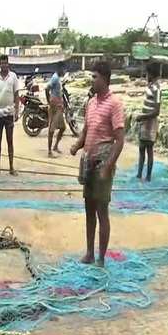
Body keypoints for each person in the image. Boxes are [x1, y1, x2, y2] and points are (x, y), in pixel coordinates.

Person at [70, 61, 125, 267]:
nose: (92, 80)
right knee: (89, 209)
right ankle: (89, 253)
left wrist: (109, 166)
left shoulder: (115, 104)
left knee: (102, 211)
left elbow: (119, 140)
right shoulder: (91, 103)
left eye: (95, 77)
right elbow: (86, 131)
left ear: (105, 79)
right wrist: (77, 146)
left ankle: (101, 258)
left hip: (103, 162)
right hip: (88, 161)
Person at [135, 62, 162, 182]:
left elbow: (156, 111)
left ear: (152, 74)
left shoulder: (157, 89)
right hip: (144, 122)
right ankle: (139, 174)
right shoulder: (150, 86)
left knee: (149, 149)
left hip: (150, 123)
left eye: (147, 74)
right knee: (141, 148)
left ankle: (148, 176)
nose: (146, 76)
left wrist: (143, 117)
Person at [0, 54, 19, 175]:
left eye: (5, 63)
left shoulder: (13, 77)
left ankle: (11, 167)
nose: (4, 65)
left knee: (10, 141)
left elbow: (17, 95)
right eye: (2, 63)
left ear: (8, 64)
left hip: (9, 113)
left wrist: (17, 111)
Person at [45, 64, 66, 157]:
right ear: (60, 69)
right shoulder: (55, 78)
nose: (64, 71)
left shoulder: (58, 78)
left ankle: (55, 146)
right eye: (64, 69)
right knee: (52, 129)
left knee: (63, 128)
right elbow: (47, 88)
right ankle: (49, 151)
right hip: (55, 106)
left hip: (59, 106)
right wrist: (49, 101)